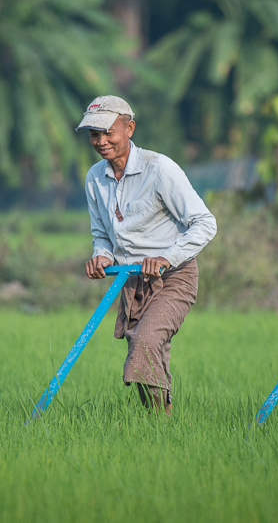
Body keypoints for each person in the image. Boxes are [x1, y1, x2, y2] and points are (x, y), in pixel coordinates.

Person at [77, 95, 217, 417]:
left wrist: (167, 257)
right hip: (130, 281)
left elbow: (204, 222)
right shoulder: (95, 178)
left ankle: (162, 426)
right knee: (143, 350)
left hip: (172, 277)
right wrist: (101, 257)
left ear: (130, 128)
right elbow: (102, 235)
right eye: (93, 135)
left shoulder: (159, 169)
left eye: (108, 133)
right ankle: (161, 428)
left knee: (144, 341)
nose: (100, 142)